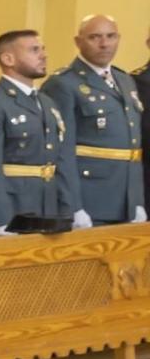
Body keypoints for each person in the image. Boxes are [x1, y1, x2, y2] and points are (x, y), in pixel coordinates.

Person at [0, 29, 79, 234]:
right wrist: (1, 219)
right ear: (8, 59)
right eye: (34, 50)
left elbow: (60, 160)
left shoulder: (46, 102)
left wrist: (70, 208)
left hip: (49, 204)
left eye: (42, 49)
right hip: (15, 207)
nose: (43, 55)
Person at [41, 14, 145, 226]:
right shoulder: (64, 83)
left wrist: (137, 200)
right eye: (95, 37)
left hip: (126, 198)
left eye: (111, 36)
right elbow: (61, 150)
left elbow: (133, 148)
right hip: (91, 198)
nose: (104, 43)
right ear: (78, 42)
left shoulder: (124, 80)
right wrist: (73, 206)